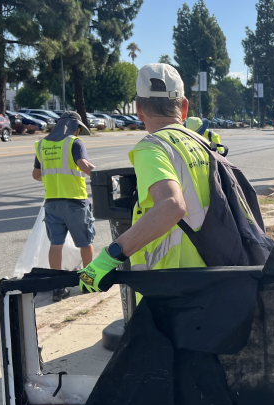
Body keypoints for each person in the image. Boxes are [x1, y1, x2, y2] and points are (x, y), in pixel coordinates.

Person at [79, 63, 210, 293]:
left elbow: (172, 206)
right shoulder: (204, 145)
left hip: (173, 288)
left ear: (139, 109)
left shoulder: (152, 148)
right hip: (213, 277)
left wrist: (108, 259)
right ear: (184, 108)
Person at [32, 111, 96, 302]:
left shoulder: (42, 145)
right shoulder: (74, 143)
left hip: (52, 202)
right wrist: (103, 175)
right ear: (75, 127)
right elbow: (83, 164)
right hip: (75, 201)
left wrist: (54, 176)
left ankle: (58, 287)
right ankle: (88, 282)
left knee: (56, 244)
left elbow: (36, 174)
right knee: (85, 242)